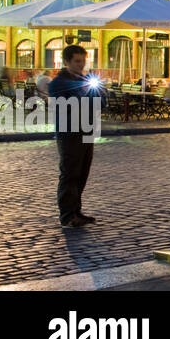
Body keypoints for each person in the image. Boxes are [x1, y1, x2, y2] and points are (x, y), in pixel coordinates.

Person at [48, 44, 105, 228]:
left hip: (87, 130)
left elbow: (102, 102)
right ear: (67, 62)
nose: (81, 65)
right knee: (70, 173)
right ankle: (67, 215)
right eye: (77, 61)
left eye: (83, 60)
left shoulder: (86, 79)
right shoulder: (58, 83)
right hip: (70, 132)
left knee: (82, 173)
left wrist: (98, 92)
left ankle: (76, 210)